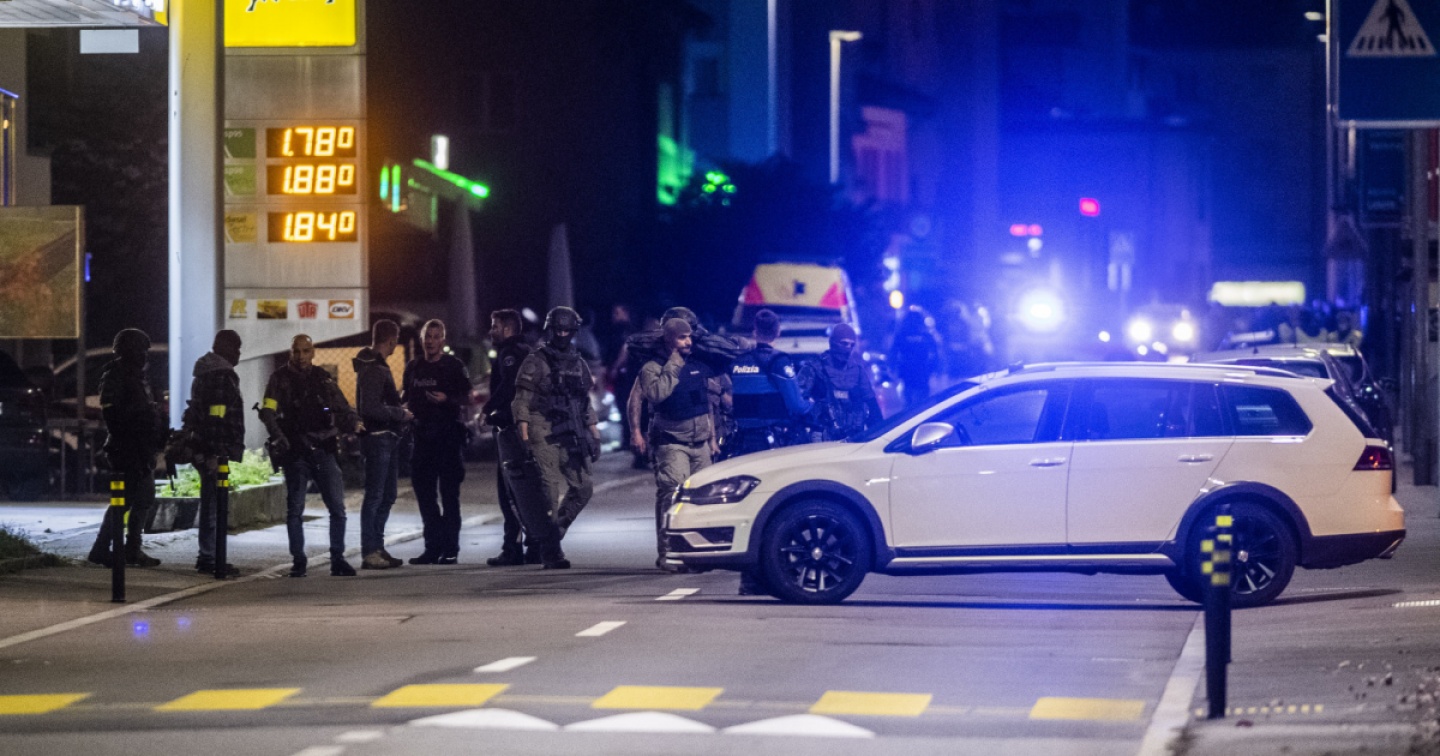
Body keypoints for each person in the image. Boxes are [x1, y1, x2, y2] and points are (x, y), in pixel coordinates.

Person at [260, 334, 362, 578]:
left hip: (323, 449)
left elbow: (341, 407)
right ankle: (299, 560)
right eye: (296, 351)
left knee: (337, 508)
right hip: (296, 451)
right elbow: (268, 412)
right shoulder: (279, 379)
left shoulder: (322, 378)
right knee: (295, 510)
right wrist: (280, 437)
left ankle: (338, 559)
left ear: (313, 352)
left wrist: (355, 422)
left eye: (306, 351)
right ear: (290, 352)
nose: (301, 356)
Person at [513, 306, 600, 561]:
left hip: (571, 430)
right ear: (550, 330)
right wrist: (523, 433)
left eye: (566, 330)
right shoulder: (536, 360)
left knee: (583, 487)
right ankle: (551, 549)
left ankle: (551, 535)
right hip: (543, 427)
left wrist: (594, 433)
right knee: (548, 490)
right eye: (557, 330)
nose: (561, 334)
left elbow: (585, 402)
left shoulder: (578, 363)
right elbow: (522, 399)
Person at [639, 317, 723, 572]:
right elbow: (656, 394)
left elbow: (708, 405)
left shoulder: (697, 365)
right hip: (672, 443)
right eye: (682, 337)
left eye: (689, 337)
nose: (688, 342)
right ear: (669, 340)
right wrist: (673, 365)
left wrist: (712, 439)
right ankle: (668, 553)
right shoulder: (653, 368)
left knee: (703, 500)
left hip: (700, 445)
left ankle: (697, 552)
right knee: (672, 496)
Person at [86, 329, 166, 568]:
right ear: (128, 351)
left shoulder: (138, 377)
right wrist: (138, 424)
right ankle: (102, 548)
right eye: (140, 351)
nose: (144, 356)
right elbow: (113, 415)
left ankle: (132, 548)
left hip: (142, 447)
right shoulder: (115, 375)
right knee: (126, 499)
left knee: (143, 498)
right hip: (127, 448)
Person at [403, 319, 474, 565]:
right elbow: (406, 394)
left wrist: (447, 399)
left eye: (435, 337)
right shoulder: (414, 367)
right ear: (421, 340)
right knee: (425, 495)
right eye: (427, 336)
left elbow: (468, 397)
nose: (430, 341)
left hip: (448, 439)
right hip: (422, 439)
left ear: (443, 340)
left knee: (449, 495)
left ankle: (450, 548)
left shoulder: (453, 366)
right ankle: (432, 547)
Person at [353, 320, 412, 570]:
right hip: (378, 438)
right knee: (376, 496)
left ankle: (377, 547)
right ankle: (370, 551)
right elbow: (370, 408)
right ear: (391, 340)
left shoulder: (373, 366)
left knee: (386, 495)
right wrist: (400, 413)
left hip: (385, 438)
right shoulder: (374, 368)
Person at [187, 329, 245, 576]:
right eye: (236, 348)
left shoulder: (204, 372)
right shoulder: (221, 375)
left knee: (212, 502)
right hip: (214, 449)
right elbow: (216, 417)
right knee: (213, 505)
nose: (239, 353)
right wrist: (214, 453)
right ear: (226, 348)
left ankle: (209, 555)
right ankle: (210, 557)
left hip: (205, 446)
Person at [483, 309, 536, 566]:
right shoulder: (526, 351)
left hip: (511, 432)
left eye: (495, 326)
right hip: (527, 430)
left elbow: (508, 387)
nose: (491, 331)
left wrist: (488, 409)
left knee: (510, 492)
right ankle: (536, 544)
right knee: (528, 490)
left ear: (507, 329)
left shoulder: (510, 353)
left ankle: (512, 548)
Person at [724, 308, 812, 459]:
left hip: (741, 440)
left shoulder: (739, 361)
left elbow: (731, 399)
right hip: (769, 441)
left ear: (755, 332)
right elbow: (796, 405)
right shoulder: (779, 361)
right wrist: (811, 404)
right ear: (778, 331)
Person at [802, 323, 882, 441]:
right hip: (823, 438)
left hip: (854, 437)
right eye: (844, 343)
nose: (848, 348)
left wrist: (878, 436)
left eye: (851, 345)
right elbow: (798, 402)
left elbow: (872, 405)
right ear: (833, 342)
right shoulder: (815, 368)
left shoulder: (858, 371)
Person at [889, 306, 941, 408]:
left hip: (908, 369)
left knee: (909, 397)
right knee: (922, 398)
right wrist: (935, 368)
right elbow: (935, 352)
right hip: (921, 369)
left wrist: (892, 367)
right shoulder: (926, 335)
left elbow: (893, 352)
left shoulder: (902, 335)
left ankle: (910, 412)